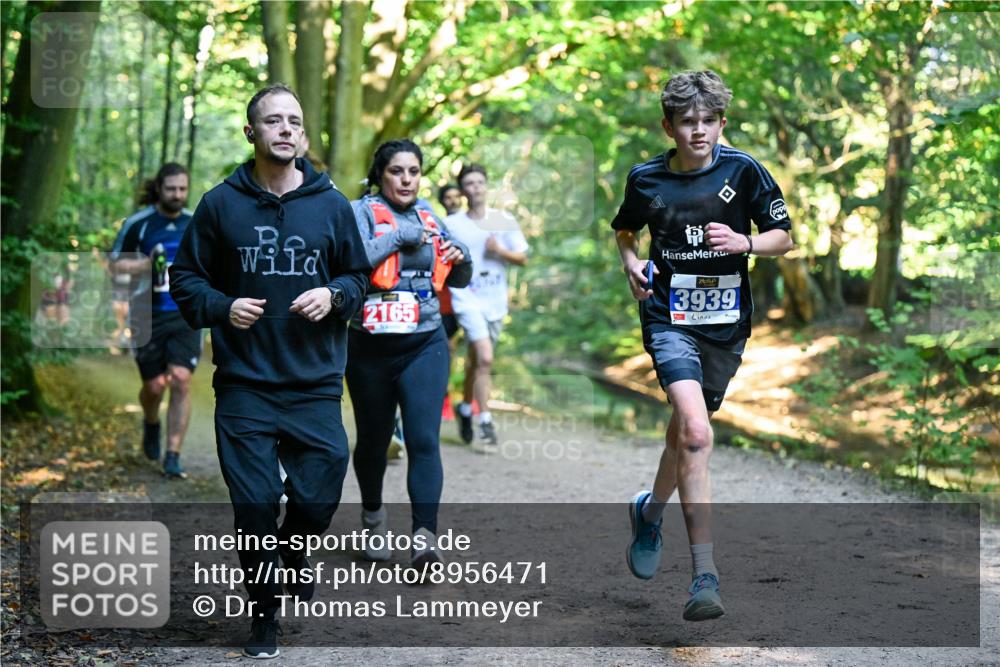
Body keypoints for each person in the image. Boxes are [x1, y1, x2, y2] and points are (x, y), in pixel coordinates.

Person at [170, 84, 370, 659]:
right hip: (245, 385)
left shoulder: (331, 205)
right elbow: (185, 279)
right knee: (254, 505)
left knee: (318, 495)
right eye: (272, 121)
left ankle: (297, 549)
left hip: (314, 384)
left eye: (293, 121)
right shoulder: (218, 205)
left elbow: (358, 279)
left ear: (303, 135)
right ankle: (264, 618)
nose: (284, 128)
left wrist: (333, 295)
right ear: (251, 133)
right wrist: (220, 306)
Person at [611, 70, 793, 621]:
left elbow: (785, 237)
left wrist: (746, 243)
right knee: (694, 430)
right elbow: (624, 230)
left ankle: (649, 513)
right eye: (687, 122)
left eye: (708, 121)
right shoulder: (646, 179)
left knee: (685, 435)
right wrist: (631, 266)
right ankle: (704, 575)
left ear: (721, 123)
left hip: (727, 324)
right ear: (669, 126)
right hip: (669, 317)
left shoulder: (746, 170)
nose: (699, 131)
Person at [347, 139, 472, 568]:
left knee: (423, 440)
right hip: (369, 348)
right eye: (397, 171)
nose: (406, 179)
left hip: (425, 342)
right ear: (380, 175)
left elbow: (458, 278)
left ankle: (424, 539)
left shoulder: (430, 216)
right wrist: (399, 235)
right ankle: (373, 518)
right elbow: (352, 259)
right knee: (374, 442)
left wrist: (463, 256)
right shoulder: (359, 212)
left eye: (413, 171)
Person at [110, 163, 199, 478]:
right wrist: (144, 266)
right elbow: (115, 263)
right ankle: (151, 422)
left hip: (185, 314)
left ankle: (173, 454)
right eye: (171, 189)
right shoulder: (140, 224)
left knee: (181, 378)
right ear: (159, 189)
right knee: (154, 385)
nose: (177, 195)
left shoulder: (195, 223)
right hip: (146, 314)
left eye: (182, 189)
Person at [446, 165, 529, 452]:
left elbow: (523, 258)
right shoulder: (453, 224)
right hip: (465, 298)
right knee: (485, 357)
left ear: (486, 186)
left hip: (495, 301)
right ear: (463, 190)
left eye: (480, 182)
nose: (476, 187)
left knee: (477, 362)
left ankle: (466, 409)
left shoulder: (503, 220)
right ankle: (486, 420)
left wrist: (500, 251)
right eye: (469, 183)